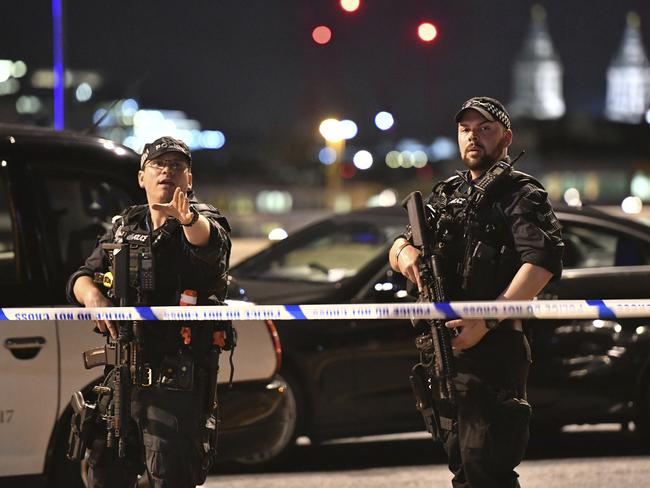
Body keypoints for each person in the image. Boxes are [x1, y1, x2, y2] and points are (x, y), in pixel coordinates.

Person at [389, 97, 563, 488]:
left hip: (494, 348)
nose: (473, 137)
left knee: (487, 465)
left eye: (484, 129)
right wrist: (406, 255)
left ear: (506, 137)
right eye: (466, 129)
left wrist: (485, 320)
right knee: (464, 467)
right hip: (444, 349)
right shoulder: (448, 193)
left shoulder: (520, 192)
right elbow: (397, 245)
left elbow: (541, 263)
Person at [66, 136, 231, 488]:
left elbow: (210, 245)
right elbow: (81, 277)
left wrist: (188, 220)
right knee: (105, 471)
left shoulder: (202, 221)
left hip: (175, 380)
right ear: (142, 177)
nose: (167, 172)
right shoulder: (127, 225)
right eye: (158, 165)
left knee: (169, 475)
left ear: (189, 179)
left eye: (177, 166)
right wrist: (94, 297)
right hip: (122, 376)